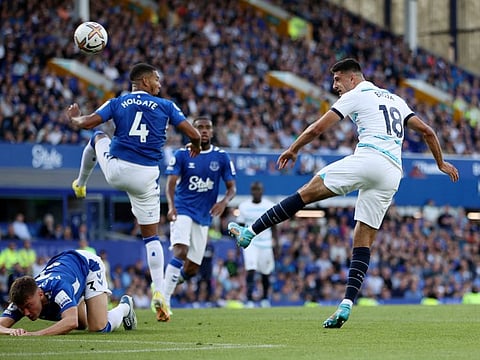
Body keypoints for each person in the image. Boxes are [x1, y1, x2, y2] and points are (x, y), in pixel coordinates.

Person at [228, 58, 459, 328]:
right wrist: (440, 163)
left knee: (306, 193)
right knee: (362, 239)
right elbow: (428, 132)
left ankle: (250, 232)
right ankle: (346, 304)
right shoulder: (395, 99)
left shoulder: (357, 93)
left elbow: (318, 127)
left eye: (337, 79)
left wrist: (293, 148)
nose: (334, 85)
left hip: (370, 159)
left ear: (352, 78)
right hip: (393, 172)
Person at [66, 62, 201, 322]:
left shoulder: (117, 102)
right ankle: (160, 292)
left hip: (117, 169)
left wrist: (74, 118)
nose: (160, 84)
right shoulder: (166, 106)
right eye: (157, 79)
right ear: (146, 81)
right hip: (146, 176)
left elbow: (87, 122)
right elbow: (193, 133)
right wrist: (194, 144)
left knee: (96, 137)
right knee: (151, 237)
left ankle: (81, 183)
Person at [163, 116, 236, 316]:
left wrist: (224, 202)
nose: (204, 131)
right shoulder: (182, 155)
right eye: (199, 128)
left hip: (204, 216)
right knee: (180, 251)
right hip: (183, 209)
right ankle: (164, 301)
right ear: (191, 131)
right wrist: (171, 207)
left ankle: (163, 286)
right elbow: (170, 184)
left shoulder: (221, 157)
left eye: (207, 128)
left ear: (212, 132)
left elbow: (232, 188)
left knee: (193, 267)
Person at [0, 249, 136, 336]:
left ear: (40, 294)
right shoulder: (24, 296)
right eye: (22, 308)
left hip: (88, 266)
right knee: (83, 324)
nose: (26, 313)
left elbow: (71, 322)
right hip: (67, 267)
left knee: (98, 327)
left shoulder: (57, 288)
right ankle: (77, 301)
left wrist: (36, 334)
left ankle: (125, 306)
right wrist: (11, 331)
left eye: (29, 306)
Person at [235, 181, 277, 308]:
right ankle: (249, 299)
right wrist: (238, 244)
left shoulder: (269, 205)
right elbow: (240, 227)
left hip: (266, 243)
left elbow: (274, 226)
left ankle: (265, 298)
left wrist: (277, 243)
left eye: (258, 189)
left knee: (265, 272)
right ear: (251, 191)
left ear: (262, 191)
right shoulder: (243, 206)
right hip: (250, 243)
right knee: (251, 269)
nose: (256, 192)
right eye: (254, 190)